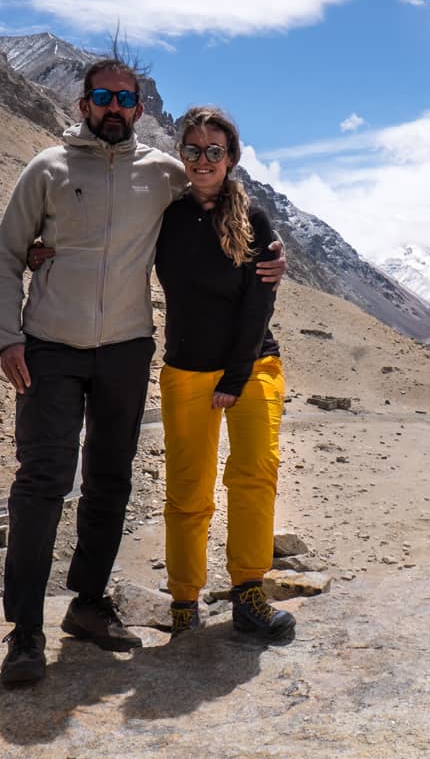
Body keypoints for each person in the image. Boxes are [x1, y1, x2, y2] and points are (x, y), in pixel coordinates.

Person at [0, 59, 285, 686]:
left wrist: (274, 253)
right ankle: (25, 632)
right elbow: (10, 255)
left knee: (110, 479)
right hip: (50, 347)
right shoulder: (47, 169)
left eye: (127, 97)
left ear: (141, 107)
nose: (115, 106)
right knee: (43, 481)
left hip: (126, 348)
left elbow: (226, 204)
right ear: (83, 104)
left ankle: (88, 604)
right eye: (103, 96)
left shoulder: (165, 174)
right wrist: (7, 336)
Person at [158, 106, 294, 640]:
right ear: (181, 155)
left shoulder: (253, 220)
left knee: (255, 472)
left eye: (214, 151)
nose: (203, 159)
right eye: (192, 149)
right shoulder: (165, 217)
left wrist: (234, 378)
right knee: (188, 488)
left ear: (231, 158)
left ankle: (248, 590)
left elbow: (259, 305)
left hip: (252, 364)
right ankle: (184, 601)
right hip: (187, 370)